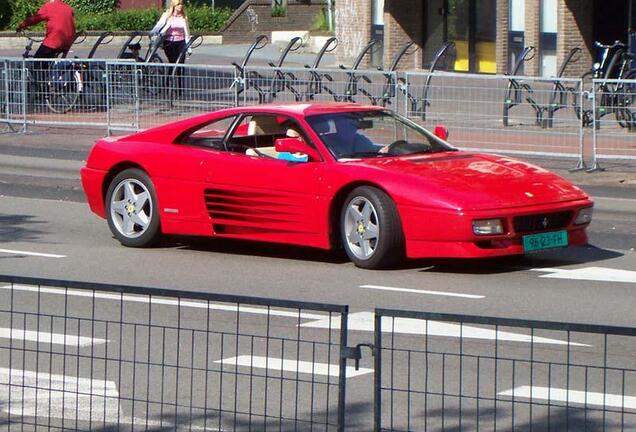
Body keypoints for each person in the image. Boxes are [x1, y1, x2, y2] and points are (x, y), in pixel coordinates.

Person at [150, 0, 191, 64]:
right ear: (174, 6)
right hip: (169, 42)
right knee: (172, 61)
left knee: (181, 61)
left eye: (181, 4)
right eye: (178, 4)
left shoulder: (183, 17)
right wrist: (152, 33)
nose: (180, 6)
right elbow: (158, 26)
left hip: (181, 41)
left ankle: (180, 74)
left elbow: (187, 32)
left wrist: (189, 46)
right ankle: (171, 73)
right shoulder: (167, 15)